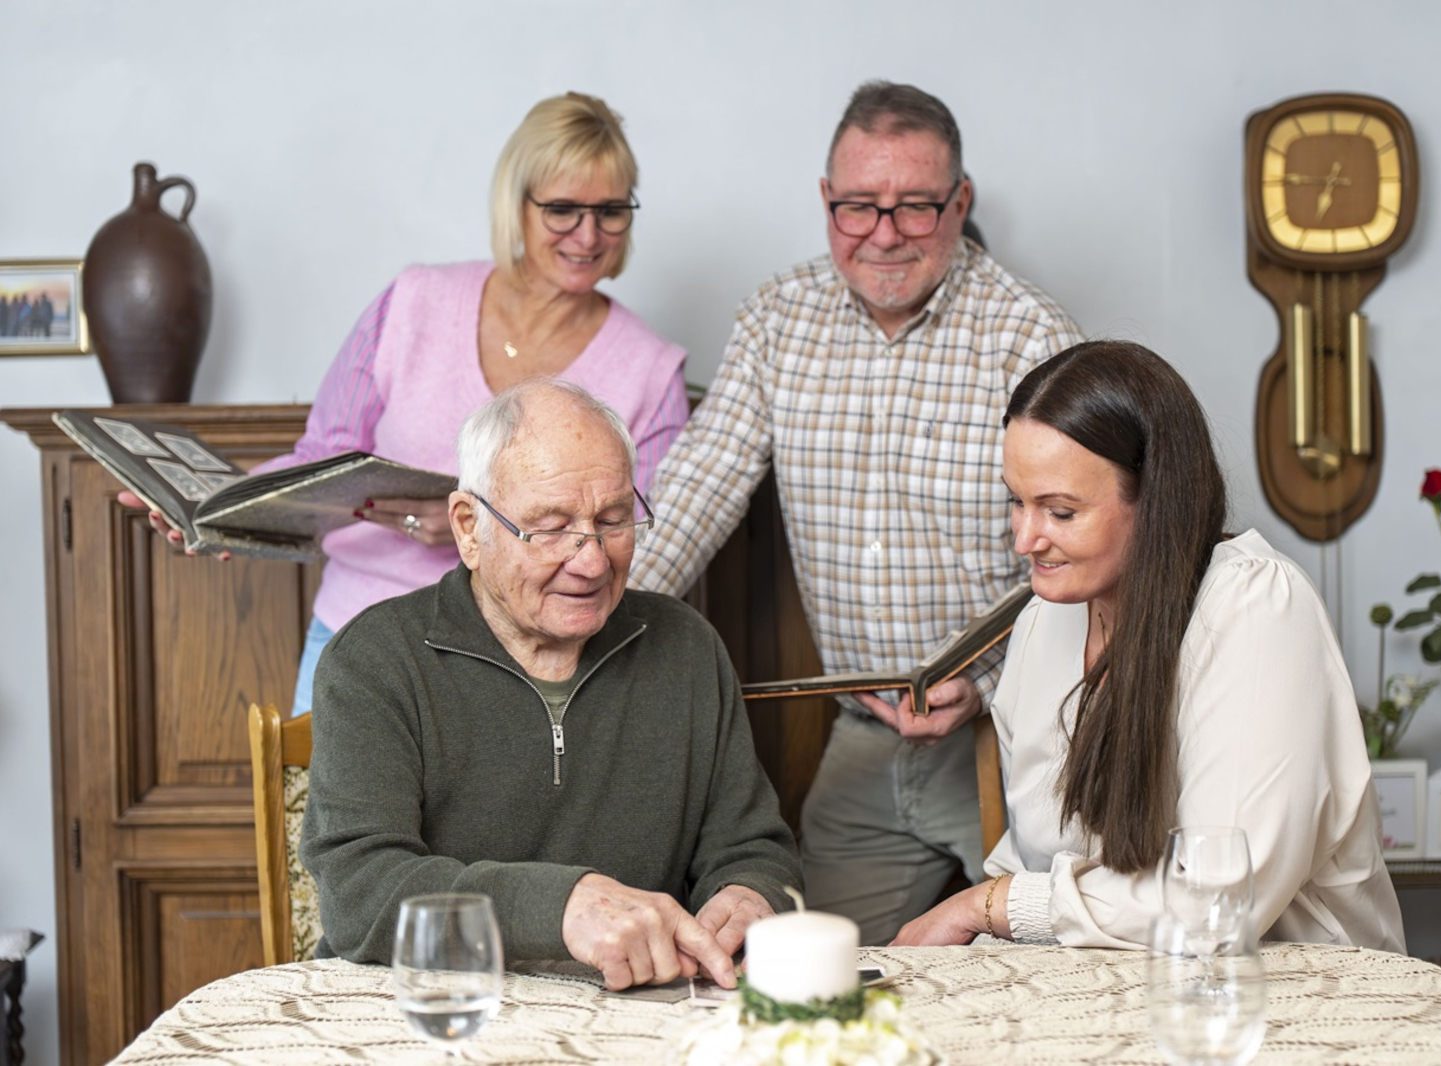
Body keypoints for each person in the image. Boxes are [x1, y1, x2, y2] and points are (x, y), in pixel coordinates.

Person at [628, 81, 1083, 945]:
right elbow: (693, 492)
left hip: (1011, 732)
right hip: (862, 740)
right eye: (857, 207)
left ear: (961, 203)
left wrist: (985, 684)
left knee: (1060, 970)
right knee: (816, 974)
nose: (883, 233)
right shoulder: (778, 318)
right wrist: (586, 608)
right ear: (825, 200)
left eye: (915, 206)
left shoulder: (1031, 336)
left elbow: (1083, 551)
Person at [126, 92, 689, 718]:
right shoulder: (414, 301)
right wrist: (219, 512)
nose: (588, 235)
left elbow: (635, 548)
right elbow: (323, 453)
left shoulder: (650, 369)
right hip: (356, 632)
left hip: (532, 665)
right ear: (516, 202)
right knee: (321, 788)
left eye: (611, 211)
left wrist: (475, 536)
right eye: (562, 209)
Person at [891, 340, 1405, 952]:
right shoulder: (1041, 624)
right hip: (1116, 987)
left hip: (1284, 990)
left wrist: (988, 905)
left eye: (1061, 512)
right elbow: (1031, 870)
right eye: (1017, 502)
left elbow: (1216, 899)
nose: (1026, 539)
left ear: (1156, 500)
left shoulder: (1256, 607)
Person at [301, 379, 801, 990]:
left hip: (634, 1014)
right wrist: (559, 908)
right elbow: (360, 892)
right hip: (425, 1010)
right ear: (469, 528)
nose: (592, 561)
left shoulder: (687, 647)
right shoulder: (375, 659)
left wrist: (749, 895)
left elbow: (753, 845)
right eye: (551, 527)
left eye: (613, 520)